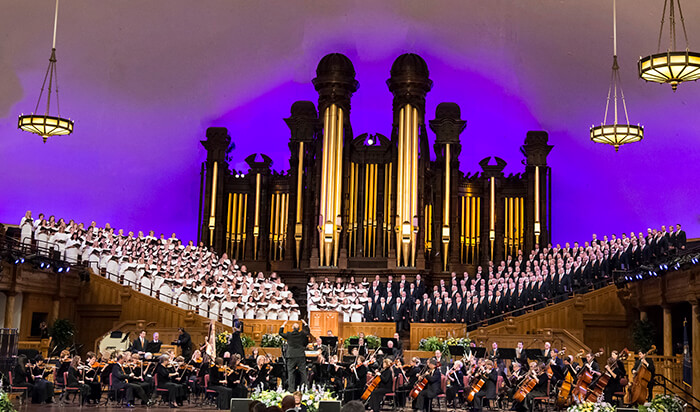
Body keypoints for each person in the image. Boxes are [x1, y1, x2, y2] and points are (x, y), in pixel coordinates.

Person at [279, 319, 310, 391]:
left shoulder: (289, 334)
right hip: (300, 355)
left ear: (292, 328)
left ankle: (291, 389)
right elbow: (308, 331)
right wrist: (305, 323)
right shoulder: (302, 334)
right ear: (299, 329)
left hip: (291, 356)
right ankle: (305, 388)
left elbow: (280, 333)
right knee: (303, 372)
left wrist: (283, 324)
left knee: (291, 373)